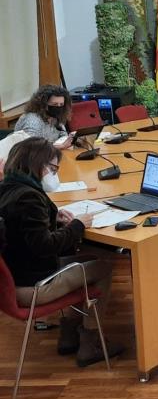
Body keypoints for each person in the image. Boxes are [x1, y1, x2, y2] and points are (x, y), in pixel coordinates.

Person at [0, 137, 123, 366]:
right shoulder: (30, 198)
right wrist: (77, 225)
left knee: (86, 257)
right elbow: (44, 246)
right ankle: (90, 342)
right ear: (39, 165)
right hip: (33, 288)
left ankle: (69, 334)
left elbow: (23, 233)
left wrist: (52, 219)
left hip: (12, 282)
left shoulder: (8, 188)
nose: (55, 174)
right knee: (103, 267)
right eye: (54, 169)